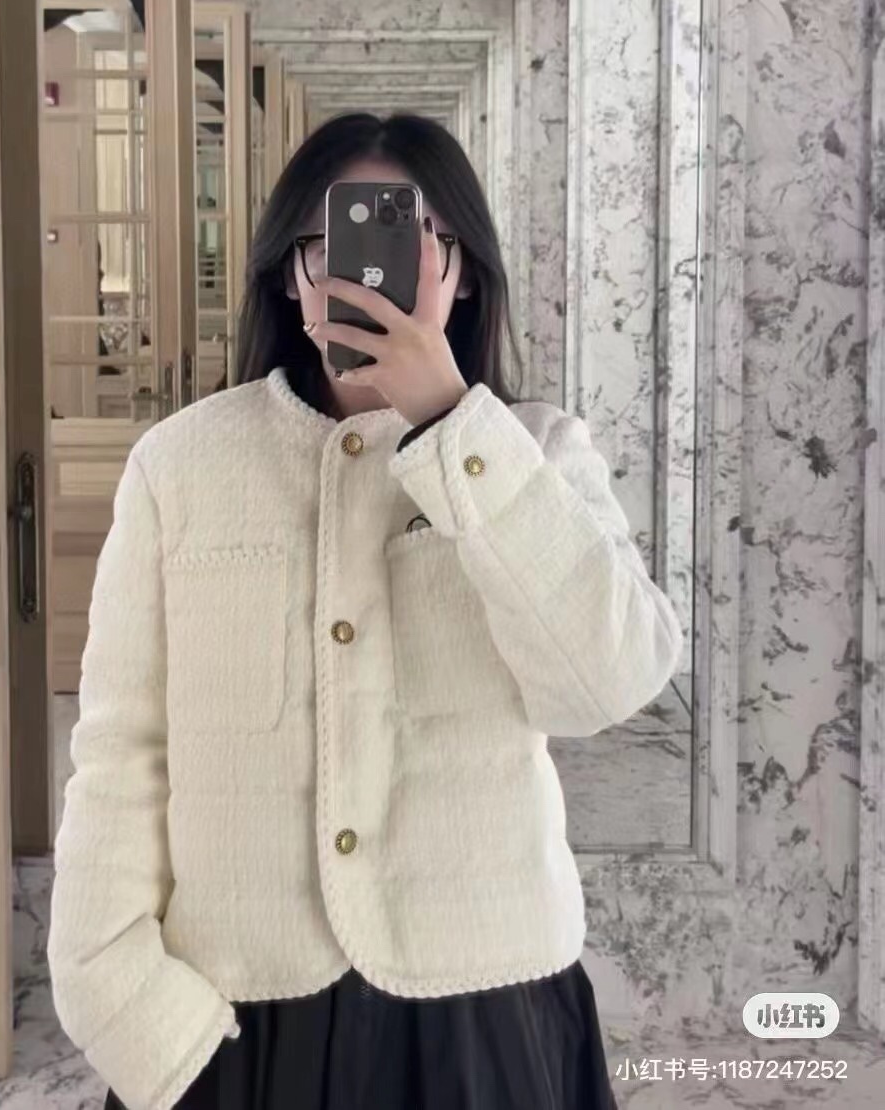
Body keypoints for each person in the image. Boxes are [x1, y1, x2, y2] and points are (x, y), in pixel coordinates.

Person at [50, 111, 682, 1109]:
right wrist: (125, 1003)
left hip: (485, 1008)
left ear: (462, 272)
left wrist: (453, 424)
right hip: (233, 1016)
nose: (369, 270)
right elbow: (122, 752)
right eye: (330, 241)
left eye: (414, 238)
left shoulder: (536, 453)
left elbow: (606, 683)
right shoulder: (180, 465)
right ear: (288, 276)